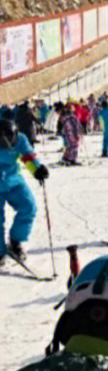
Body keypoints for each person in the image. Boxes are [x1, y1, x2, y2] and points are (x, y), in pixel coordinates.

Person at [0, 109, 48, 264]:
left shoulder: (20, 139)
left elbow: (28, 156)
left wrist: (37, 169)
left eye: (11, 140)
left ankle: (16, 240)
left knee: (29, 207)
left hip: (14, 180)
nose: (8, 144)